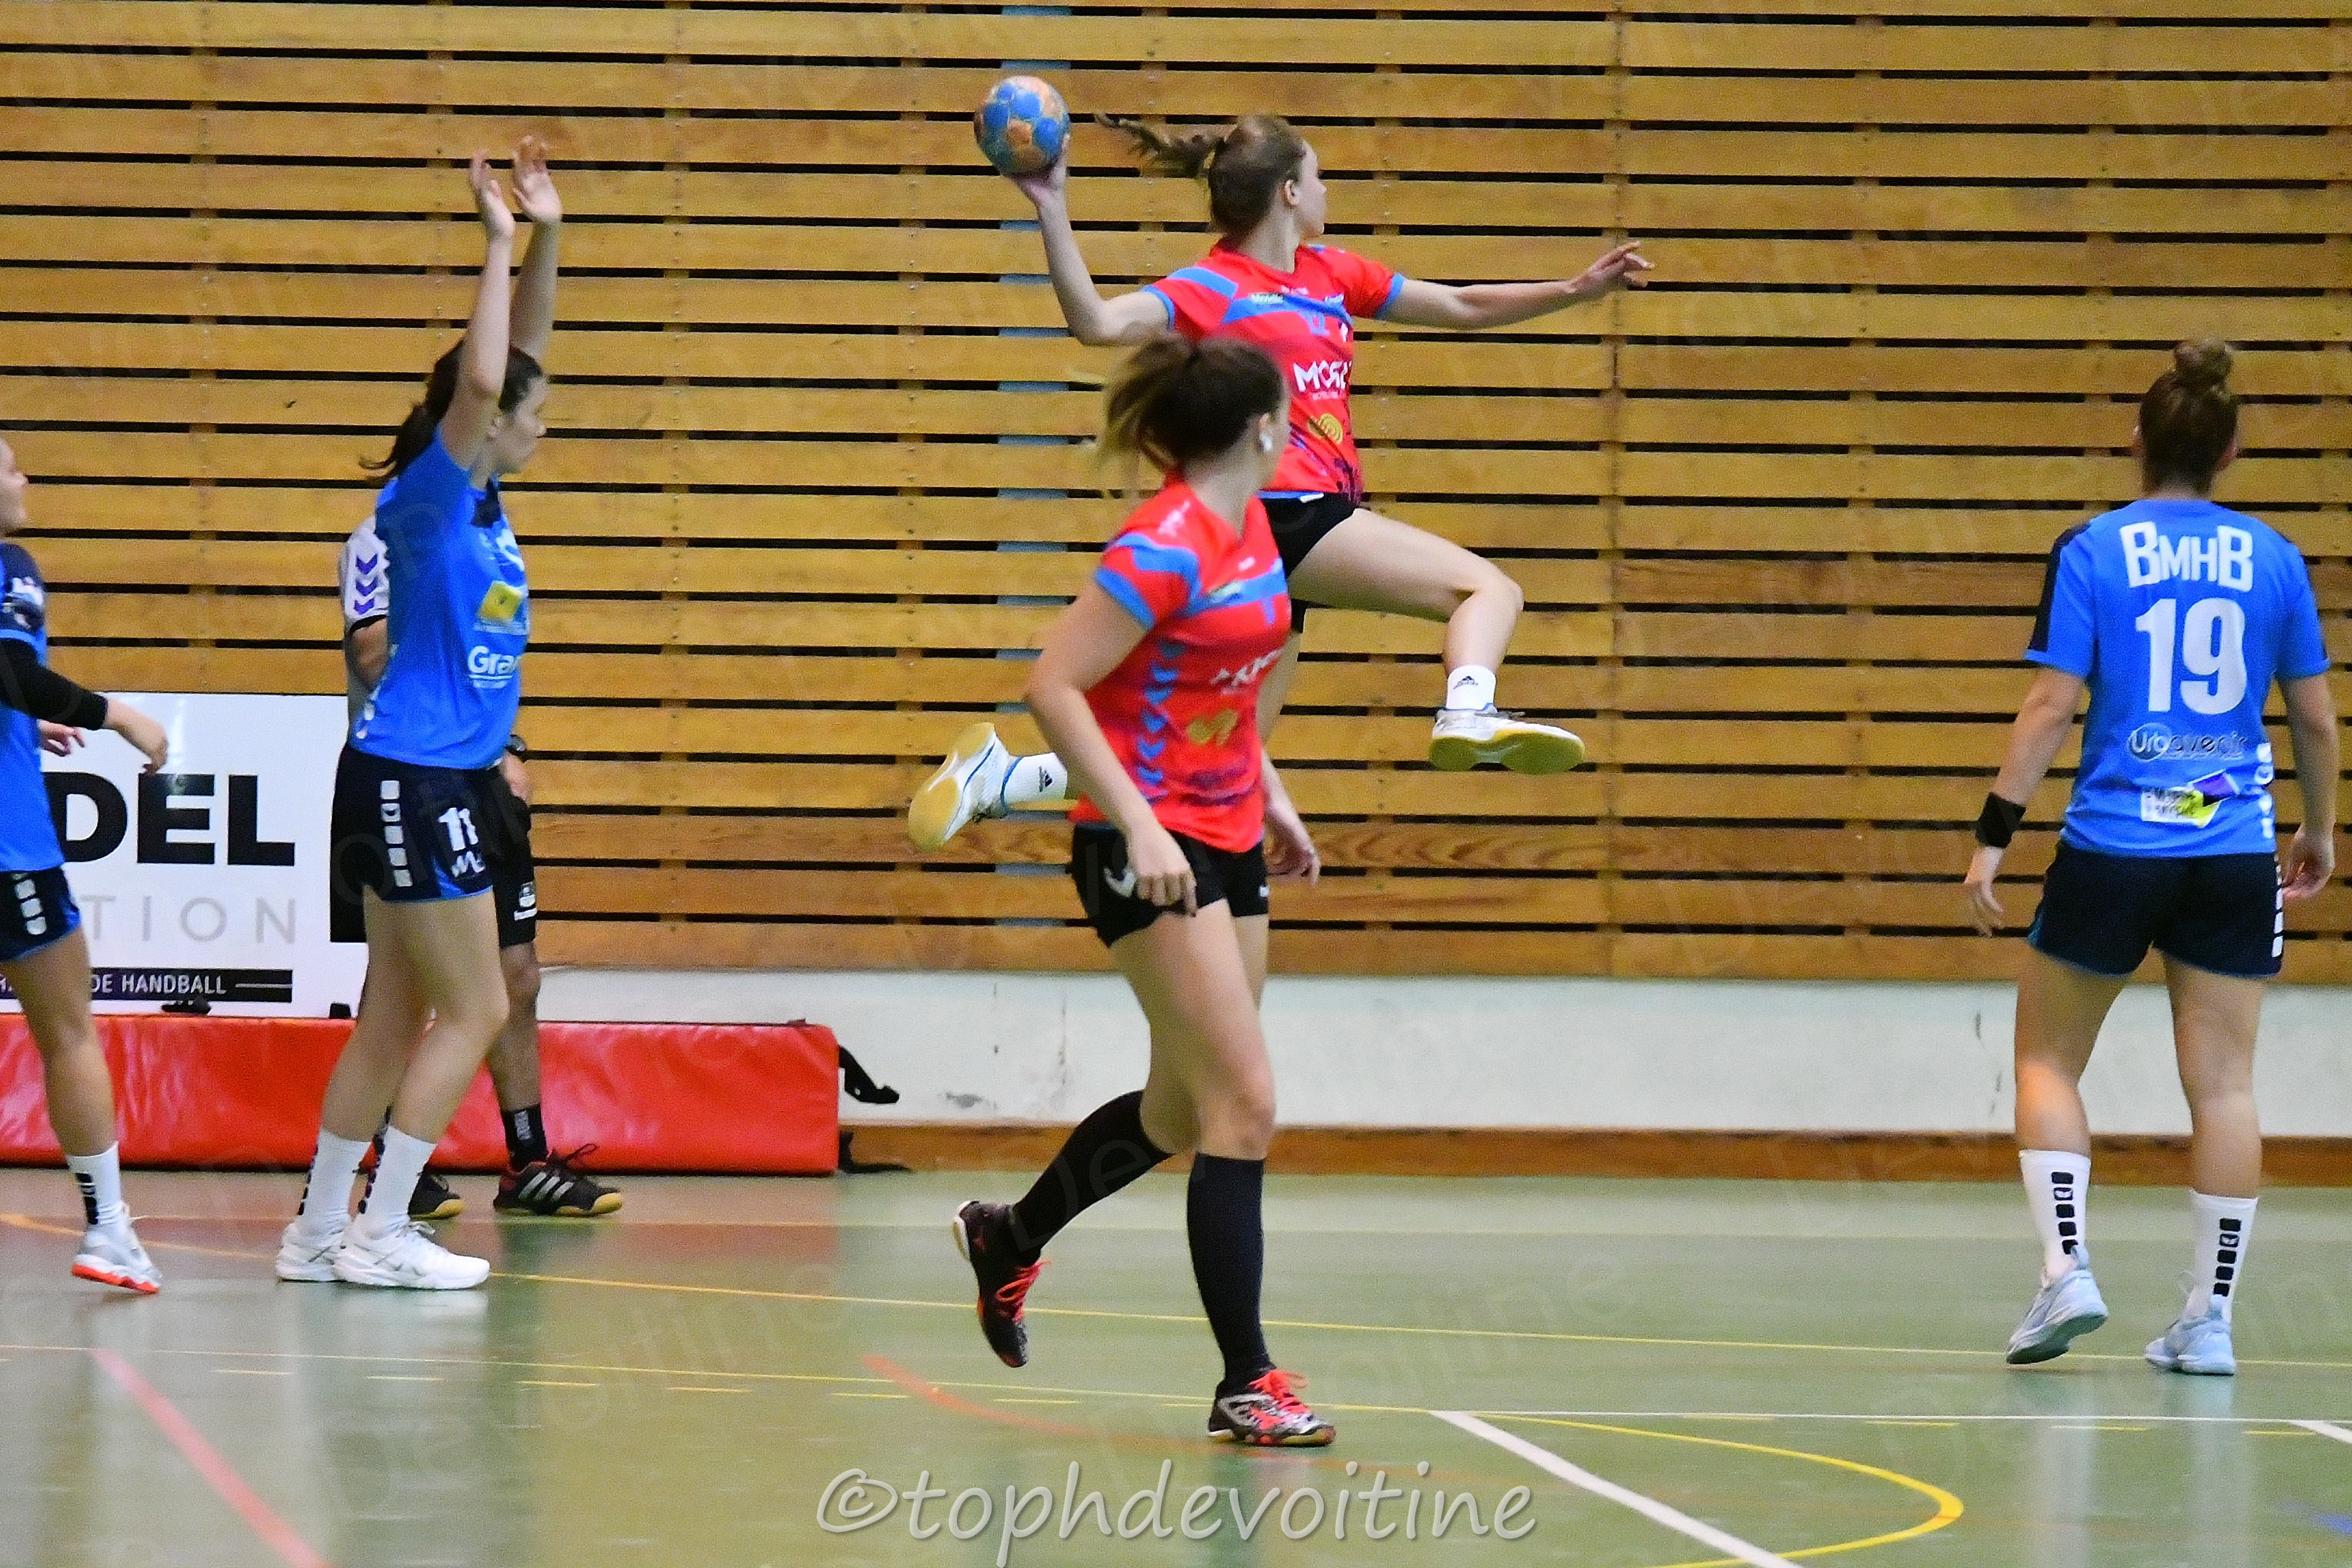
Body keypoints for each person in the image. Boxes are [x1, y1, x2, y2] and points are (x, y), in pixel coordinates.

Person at [909, 112, 1650, 850]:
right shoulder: (1211, 287)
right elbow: (1098, 324)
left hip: (1289, 531)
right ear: (1290, 191)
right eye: (1319, 176)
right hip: (1278, 510)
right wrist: (1051, 205)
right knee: (1486, 590)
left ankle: (1004, 778)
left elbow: (1460, 305)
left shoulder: (1334, 275)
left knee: (1220, 757)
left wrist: (1573, 290)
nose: (1328, 191)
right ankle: (1467, 711)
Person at [952, 333, 1334, 1446]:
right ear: (1262, 426)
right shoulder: (1160, 546)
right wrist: (1139, 821)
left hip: (1226, 831)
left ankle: (1009, 1236)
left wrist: (1271, 792)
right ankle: (1245, 1381)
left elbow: (1226, 682)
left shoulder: (1250, 525)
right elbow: (1054, 685)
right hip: (1145, 849)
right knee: (1243, 1103)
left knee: (1179, 1110)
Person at [1965, 340, 2337, 1376]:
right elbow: (2314, 716)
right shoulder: (2276, 558)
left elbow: (2050, 705)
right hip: (2231, 850)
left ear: (2137, 440)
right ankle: (2208, 1321)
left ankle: (2066, 1272)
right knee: (2224, 1090)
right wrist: (2319, 830)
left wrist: (1992, 836)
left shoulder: (2093, 548)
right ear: (2231, 451)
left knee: (2046, 1061)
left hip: (2114, 847)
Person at [277, 141, 557, 1291]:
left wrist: (550, 233)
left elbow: (515, 365)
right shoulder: (433, 497)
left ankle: (315, 1232)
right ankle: (382, 1230)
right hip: (417, 777)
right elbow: (488, 383)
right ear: (480, 424)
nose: (544, 425)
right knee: (479, 1004)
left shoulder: (479, 497)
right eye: (533, 415)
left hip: (425, 776)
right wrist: (494, 242)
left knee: (393, 1019)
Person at [337, 512, 620, 1219]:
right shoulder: (385, 534)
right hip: (409, 775)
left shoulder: (494, 538)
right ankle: (390, 1173)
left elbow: (487, 664)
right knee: (405, 985)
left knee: (517, 975)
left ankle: (527, 1161)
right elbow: (371, 656)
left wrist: (508, 746)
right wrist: (444, 602)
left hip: (479, 775)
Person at [0, 435, 172, 1291]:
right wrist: (120, 715)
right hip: (10, 850)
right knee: (68, 1030)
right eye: (8, 466)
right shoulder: (10, 567)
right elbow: (10, 670)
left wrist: (22, 723)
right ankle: (108, 1230)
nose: (23, 478)